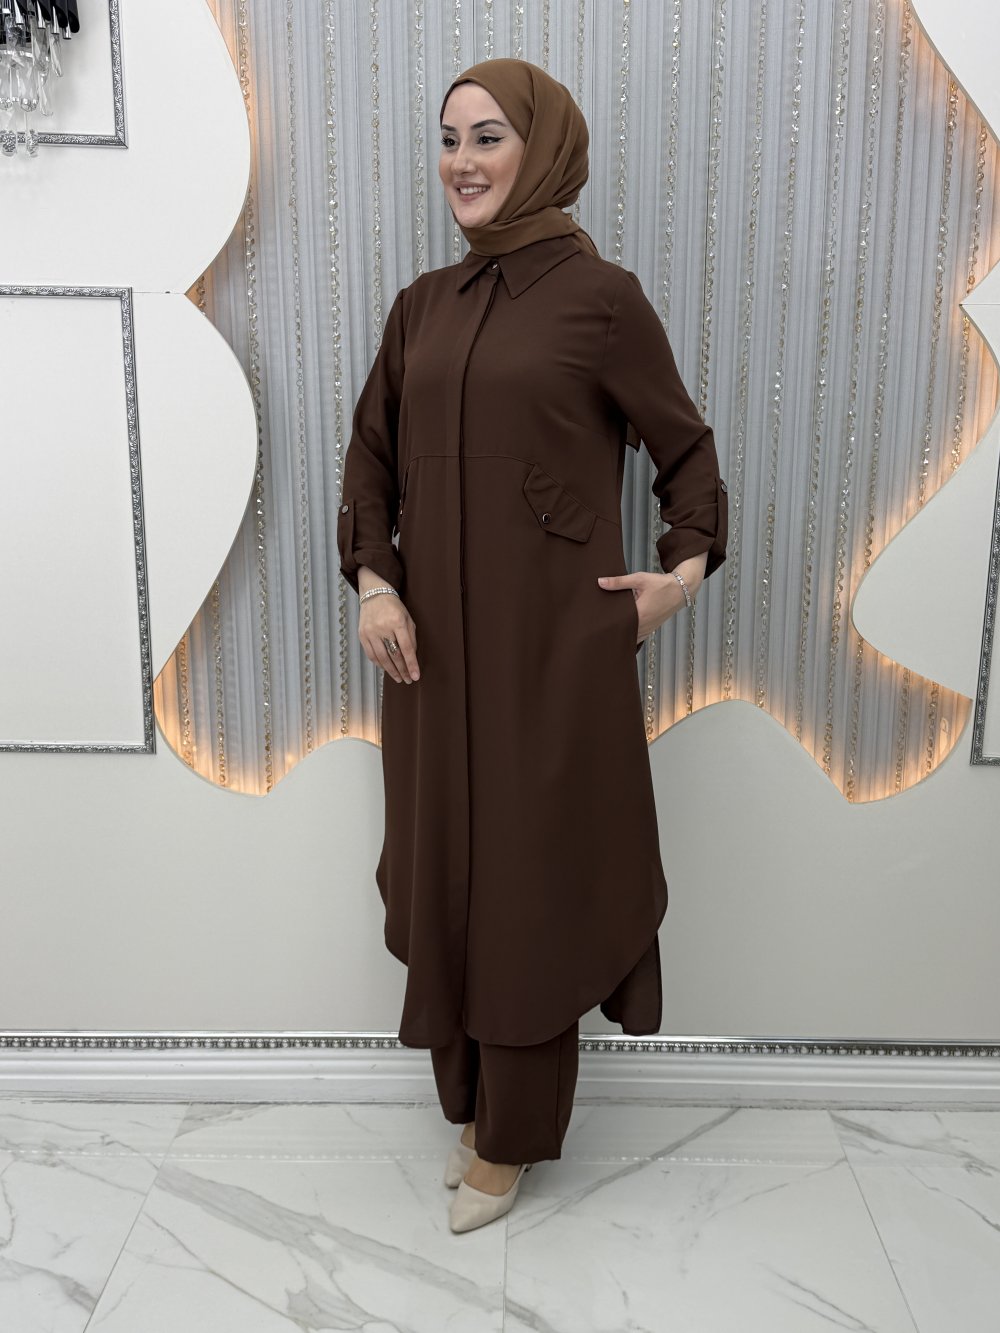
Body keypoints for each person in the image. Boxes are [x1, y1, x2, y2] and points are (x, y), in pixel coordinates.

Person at [337, 57, 727, 1234]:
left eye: (488, 136)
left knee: (529, 882)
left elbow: (687, 456)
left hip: (551, 654)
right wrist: (374, 584)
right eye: (448, 138)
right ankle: (466, 1105)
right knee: (448, 870)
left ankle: (511, 1135)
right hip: (428, 658)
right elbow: (370, 460)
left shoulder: (601, 300)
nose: (461, 161)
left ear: (542, 148)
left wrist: (676, 580)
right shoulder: (422, 305)